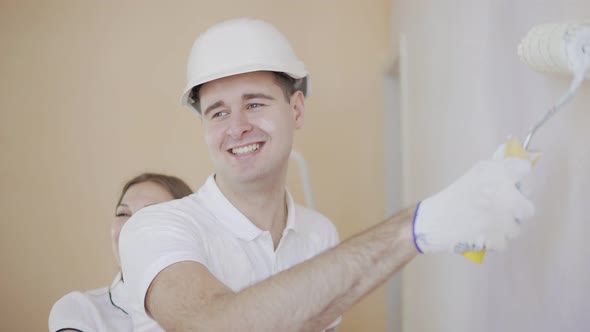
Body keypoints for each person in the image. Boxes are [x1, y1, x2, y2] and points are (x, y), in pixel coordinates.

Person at [119, 18, 535, 331]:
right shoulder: (157, 228)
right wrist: (416, 227)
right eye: (219, 112)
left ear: (296, 109)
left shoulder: (320, 235)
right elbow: (212, 326)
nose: (236, 127)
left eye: (256, 104)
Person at [48, 173, 193, 332]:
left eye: (149, 214)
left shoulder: (214, 306)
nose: (130, 227)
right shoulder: (80, 309)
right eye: (123, 214)